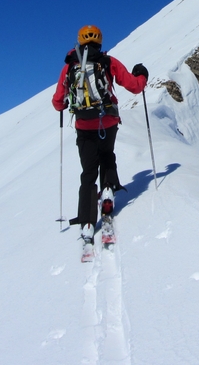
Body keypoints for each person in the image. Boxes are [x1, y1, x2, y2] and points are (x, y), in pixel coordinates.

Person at [52, 25, 148, 249]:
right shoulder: (107, 62)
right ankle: (107, 189)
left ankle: (86, 222)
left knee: (87, 172)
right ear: (100, 41)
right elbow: (134, 87)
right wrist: (142, 74)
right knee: (107, 155)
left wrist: (66, 103)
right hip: (108, 121)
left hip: (84, 126)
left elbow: (58, 101)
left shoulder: (70, 68)